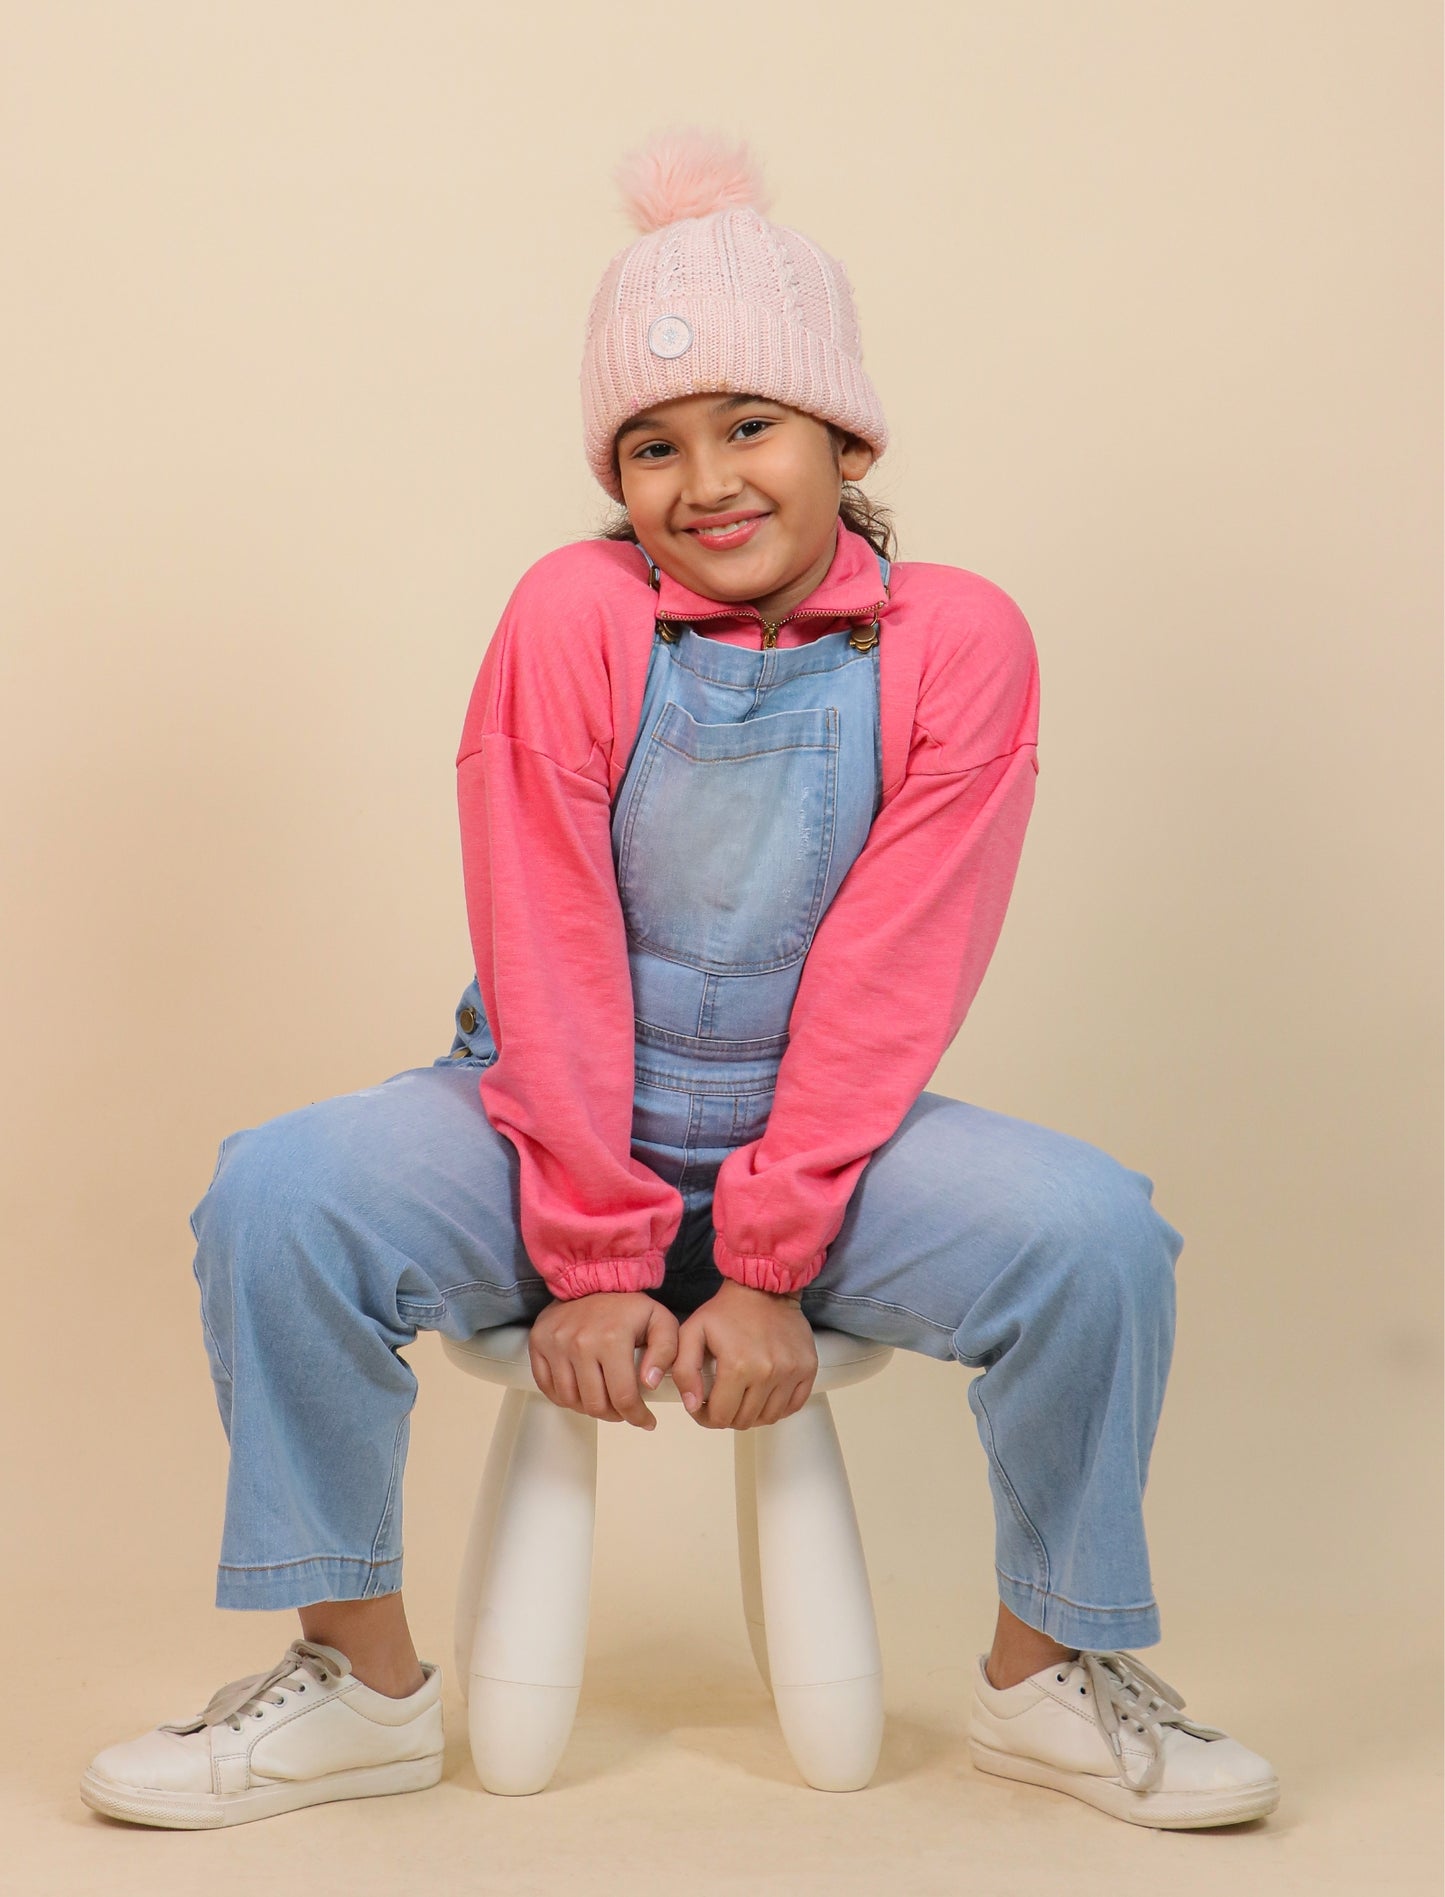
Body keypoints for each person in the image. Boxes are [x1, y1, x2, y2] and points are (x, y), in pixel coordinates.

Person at [81, 127, 1279, 1834]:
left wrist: (772, 1256)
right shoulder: (571, 614)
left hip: (830, 1149)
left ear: (844, 434)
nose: (703, 481)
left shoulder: (957, 643)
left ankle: (1050, 1677)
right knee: (276, 1195)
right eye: (652, 445)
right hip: (547, 1130)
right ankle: (353, 1679)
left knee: (1096, 1239)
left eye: (748, 424)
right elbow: (547, 938)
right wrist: (587, 1249)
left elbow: (891, 971)